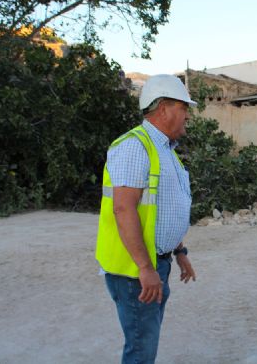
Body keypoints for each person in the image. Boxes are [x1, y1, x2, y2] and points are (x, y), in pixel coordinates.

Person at [95, 74, 198, 364]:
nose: (187, 115)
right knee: (141, 350)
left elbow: (162, 209)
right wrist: (145, 267)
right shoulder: (134, 147)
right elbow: (124, 209)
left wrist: (180, 252)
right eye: (183, 107)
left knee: (145, 344)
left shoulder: (165, 151)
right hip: (134, 272)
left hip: (155, 264)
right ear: (163, 108)